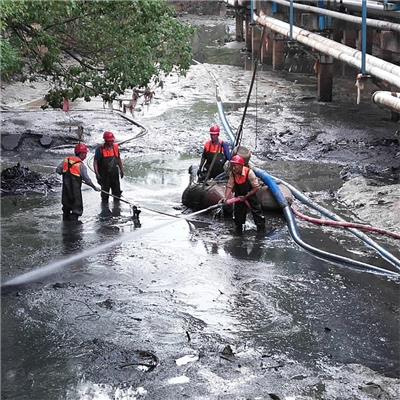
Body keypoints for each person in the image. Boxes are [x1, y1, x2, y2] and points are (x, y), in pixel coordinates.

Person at [56, 143, 100, 221]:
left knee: (66, 210)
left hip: (66, 193)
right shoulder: (81, 165)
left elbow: (58, 170)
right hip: (75, 194)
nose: (86, 156)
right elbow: (87, 179)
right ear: (82, 153)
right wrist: (94, 187)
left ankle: (65, 227)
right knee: (76, 211)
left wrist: (65, 172)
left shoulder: (66, 160)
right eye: (85, 154)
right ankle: (74, 229)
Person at [222, 154, 265, 234]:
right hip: (239, 196)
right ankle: (239, 232)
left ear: (241, 165)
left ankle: (261, 232)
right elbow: (229, 186)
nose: (234, 168)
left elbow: (256, 187)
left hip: (250, 194)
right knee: (238, 215)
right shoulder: (233, 173)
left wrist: (246, 196)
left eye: (235, 166)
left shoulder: (249, 172)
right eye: (232, 166)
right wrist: (226, 198)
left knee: (257, 213)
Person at [93, 131, 124, 203]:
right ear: (105, 141)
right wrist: (97, 174)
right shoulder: (100, 149)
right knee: (105, 195)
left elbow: (118, 159)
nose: (111, 143)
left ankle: (116, 211)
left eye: (112, 141)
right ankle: (105, 211)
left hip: (114, 175)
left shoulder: (115, 147)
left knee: (116, 194)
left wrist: (122, 170)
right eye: (109, 141)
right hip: (104, 176)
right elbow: (95, 162)